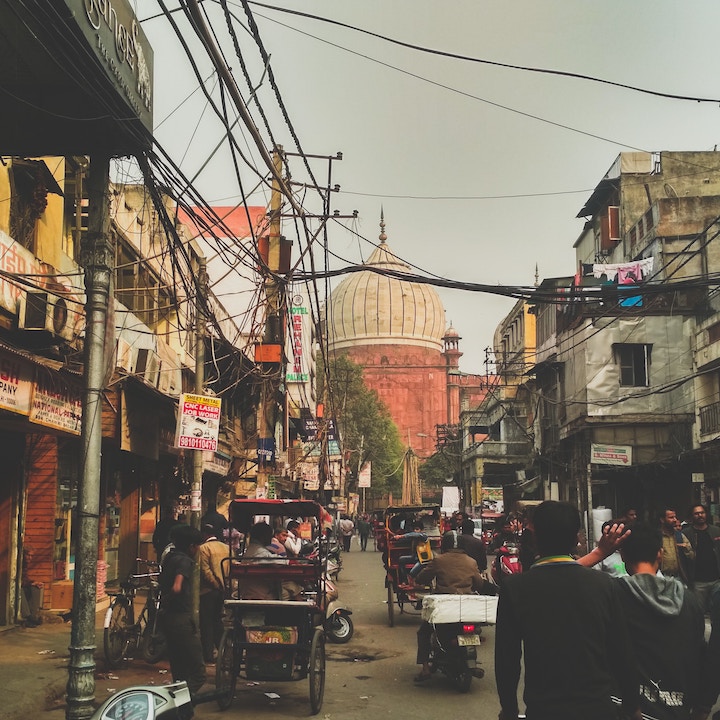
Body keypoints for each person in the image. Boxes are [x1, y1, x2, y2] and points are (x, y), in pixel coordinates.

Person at [495, 500, 641, 720]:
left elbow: (507, 659)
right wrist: (631, 706)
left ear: (534, 538)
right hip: (598, 708)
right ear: (576, 538)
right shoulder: (604, 585)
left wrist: (509, 710)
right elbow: (622, 653)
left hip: (544, 710)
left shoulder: (515, 588)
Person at [617, 522, 706, 720]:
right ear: (660, 553)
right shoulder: (689, 600)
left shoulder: (614, 595)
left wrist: (601, 552)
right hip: (680, 707)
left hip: (631, 709)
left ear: (623, 555)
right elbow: (700, 653)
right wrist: (702, 706)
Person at [413, 530, 497, 683]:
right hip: (467, 608)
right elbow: (478, 584)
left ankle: (425, 668)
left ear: (445, 544)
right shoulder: (471, 562)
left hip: (444, 607)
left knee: (423, 633)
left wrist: (419, 580)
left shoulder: (439, 560)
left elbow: (423, 577)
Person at [159, 524, 206, 698]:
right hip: (180, 619)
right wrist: (171, 598)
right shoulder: (184, 561)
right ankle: (179, 701)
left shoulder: (169, 557)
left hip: (168, 618)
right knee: (198, 672)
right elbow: (177, 587)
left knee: (179, 670)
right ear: (191, 546)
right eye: (197, 546)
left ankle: (180, 708)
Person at [198, 523, 228, 664]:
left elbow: (205, 571)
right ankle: (224, 651)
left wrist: (216, 585)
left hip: (208, 591)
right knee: (217, 621)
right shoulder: (226, 548)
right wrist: (223, 587)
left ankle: (208, 654)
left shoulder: (204, 548)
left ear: (205, 534)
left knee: (207, 623)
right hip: (223, 590)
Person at [684, 504, 720, 613]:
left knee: (717, 612)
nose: (700, 515)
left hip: (716, 579)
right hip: (698, 581)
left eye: (702, 512)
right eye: (696, 513)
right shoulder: (686, 533)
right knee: (698, 613)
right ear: (692, 516)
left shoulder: (716, 531)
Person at [241, 521, 282, 599]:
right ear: (263, 536)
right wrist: (289, 561)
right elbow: (277, 561)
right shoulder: (259, 551)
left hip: (250, 592)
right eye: (270, 535)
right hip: (260, 594)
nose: (271, 538)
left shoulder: (252, 549)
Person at [659, 507, 695, 584]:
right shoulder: (656, 537)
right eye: (671, 517)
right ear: (662, 520)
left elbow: (692, 556)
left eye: (675, 517)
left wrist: (686, 548)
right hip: (661, 577)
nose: (675, 520)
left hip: (678, 577)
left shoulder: (680, 536)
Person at [392, 520, 429, 586]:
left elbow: (415, 535)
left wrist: (401, 536)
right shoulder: (413, 537)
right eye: (414, 529)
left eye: (417, 529)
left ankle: (415, 581)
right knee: (401, 559)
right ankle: (404, 581)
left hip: (423, 560)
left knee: (412, 573)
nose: (415, 531)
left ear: (422, 530)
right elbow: (409, 537)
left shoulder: (424, 536)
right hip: (415, 557)